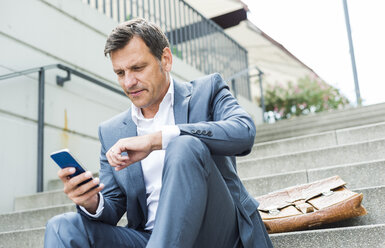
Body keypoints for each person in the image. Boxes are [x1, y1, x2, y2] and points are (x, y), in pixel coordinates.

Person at [44, 18, 273, 248]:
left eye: (137, 68)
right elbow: (112, 208)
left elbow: (243, 131)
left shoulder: (208, 90)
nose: (129, 82)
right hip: (149, 237)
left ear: (165, 59)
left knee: (184, 146)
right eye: (120, 72)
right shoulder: (111, 131)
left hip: (217, 232)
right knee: (62, 227)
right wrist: (91, 201)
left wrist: (157, 139)